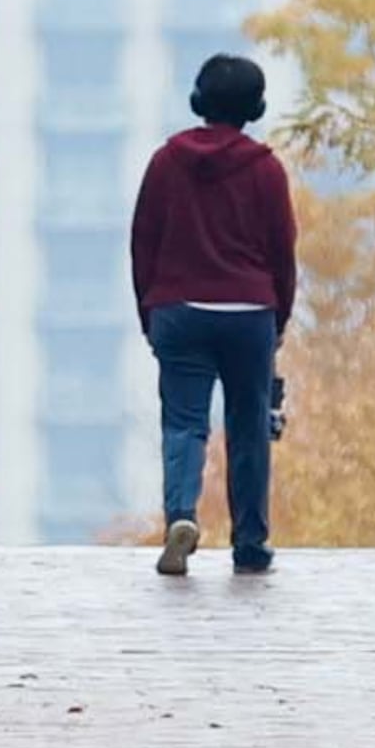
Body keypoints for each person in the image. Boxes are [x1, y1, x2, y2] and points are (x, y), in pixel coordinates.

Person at [131, 53, 299, 579]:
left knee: (184, 422)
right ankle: (250, 542)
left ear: (198, 101)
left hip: (178, 309)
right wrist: (278, 319)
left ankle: (181, 517)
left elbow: (143, 243)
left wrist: (150, 312)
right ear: (257, 106)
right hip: (249, 310)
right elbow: (282, 251)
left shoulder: (165, 163)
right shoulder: (267, 169)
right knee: (248, 426)